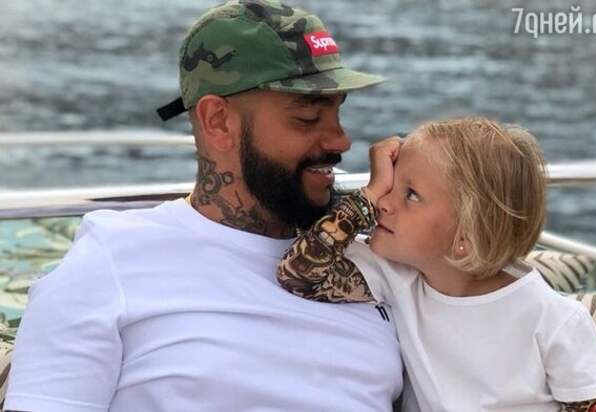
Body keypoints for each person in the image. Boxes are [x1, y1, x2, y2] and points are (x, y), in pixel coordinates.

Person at [4, 1, 406, 411]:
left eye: (338, 112)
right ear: (218, 121)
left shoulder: (378, 266)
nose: (341, 141)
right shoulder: (110, 263)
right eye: (306, 118)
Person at [277, 117, 596, 411]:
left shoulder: (555, 321)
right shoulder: (396, 274)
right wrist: (367, 195)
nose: (383, 202)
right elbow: (297, 274)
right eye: (389, 184)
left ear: (466, 235)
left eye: (411, 194)